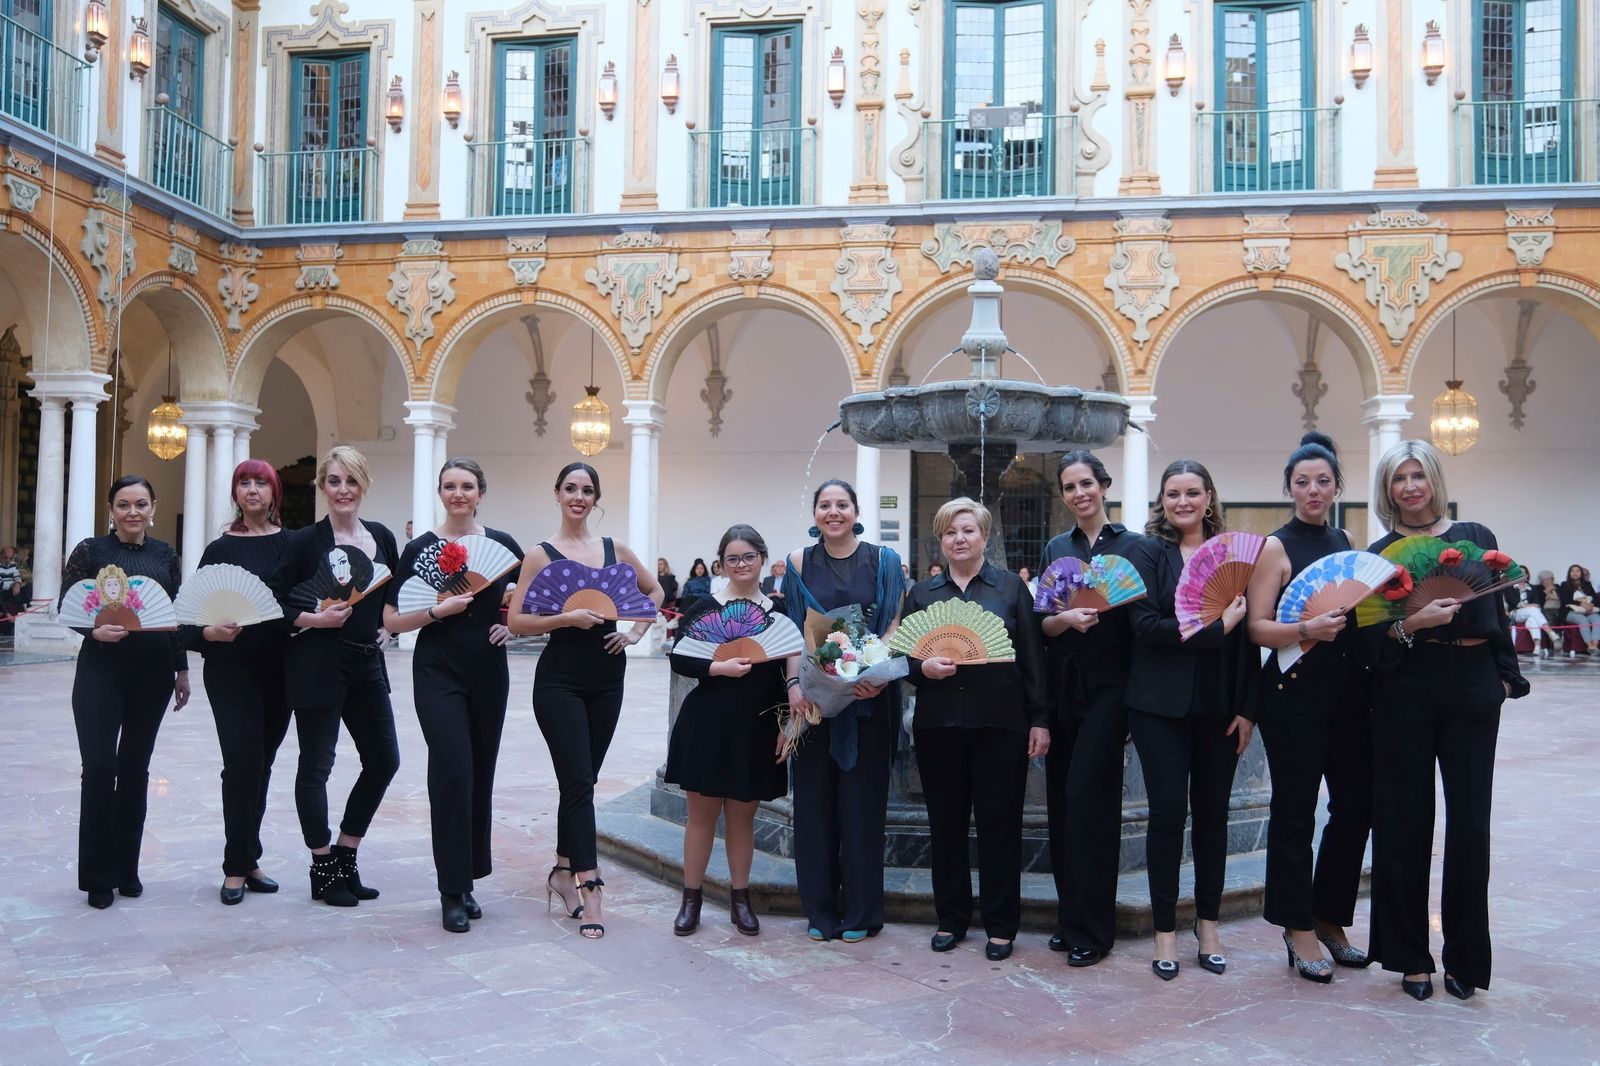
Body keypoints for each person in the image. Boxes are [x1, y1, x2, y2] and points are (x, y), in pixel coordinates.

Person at [1363, 439, 1529, 1002]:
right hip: (1407, 690)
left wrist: (1505, 678)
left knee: (1469, 828)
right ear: (1387, 489)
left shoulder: (1475, 537)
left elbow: (1498, 608)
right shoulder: (1382, 552)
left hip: (1474, 686)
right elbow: (1372, 639)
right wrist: (1415, 623)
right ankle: (1410, 956)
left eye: (1418, 474)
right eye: (1398, 478)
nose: (1410, 486)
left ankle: (1465, 960)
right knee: (1405, 824)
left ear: (1434, 478)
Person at [507, 462, 664, 940]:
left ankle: (559, 870)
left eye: (587, 490)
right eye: (571, 488)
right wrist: (564, 619)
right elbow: (517, 622)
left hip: (607, 676)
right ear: (557, 494)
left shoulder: (615, 550)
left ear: (597, 499)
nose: (579, 496)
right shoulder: (541, 554)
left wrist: (636, 632)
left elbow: (653, 590)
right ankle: (590, 886)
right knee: (578, 781)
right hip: (559, 680)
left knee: (583, 782)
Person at [1244, 433, 1371, 982]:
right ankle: (1296, 927)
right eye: (1303, 482)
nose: (1313, 490)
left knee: (1355, 806)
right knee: (1295, 811)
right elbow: (1256, 626)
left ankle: (1329, 915)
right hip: (1292, 694)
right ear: (1289, 489)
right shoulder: (1276, 547)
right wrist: (1306, 628)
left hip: (1346, 693)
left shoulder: (1343, 539)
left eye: (1323, 481)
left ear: (1337, 486)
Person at [904, 498, 1048, 961]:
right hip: (938, 725)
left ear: (985, 536)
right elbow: (905, 660)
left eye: (967, 531)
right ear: (940, 540)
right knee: (944, 825)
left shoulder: (1010, 589)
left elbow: (1032, 658)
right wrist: (923, 666)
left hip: (1001, 724)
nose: (959, 539)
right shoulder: (923, 595)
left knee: (999, 826)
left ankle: (1001, 925)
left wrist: (1040, 718)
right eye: (950, 532)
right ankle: (951, 918)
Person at [1125, 460, 1253, 981]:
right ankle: (1163, 931)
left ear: (1208, 497)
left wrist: (1249, 708)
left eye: (1193, 493)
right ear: (1162, 499)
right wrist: (1215, 627)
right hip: (1158, 705)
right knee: (1166, 815)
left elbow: (1247, 639)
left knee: (1213, 816)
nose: (1183, 502)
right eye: (1173, 493)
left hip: (1220, 706)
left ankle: (1209, 925)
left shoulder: (1230, 555)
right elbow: (1145, 626)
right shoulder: (1146, 553)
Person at [383, 459, 523, 932]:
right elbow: (391, 620)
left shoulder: (501, 545)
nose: (458, 493)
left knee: (479, 772)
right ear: (440, 492)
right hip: (436, 669)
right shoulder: (420, 549)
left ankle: (467, 880)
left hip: (487, 670)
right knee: (452, 770)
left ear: (481, 492)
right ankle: (449, 890)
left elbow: (534, 601)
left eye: (467, 486)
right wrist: (437, 611)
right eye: (450, 486)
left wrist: (511, 628)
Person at [269, 446, 401, 909]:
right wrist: (311, 620)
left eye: (352, 481)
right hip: (318, 663)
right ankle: (321, 864)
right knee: (317, 766)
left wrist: (387, 625)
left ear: (364, 485)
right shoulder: (304, 542)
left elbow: (392, 596)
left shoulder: (382, 537)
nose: (343, 490)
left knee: (385, 760)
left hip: (367, 663)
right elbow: (274, 603)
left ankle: (347, 853)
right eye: (335, 481)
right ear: (322, 487)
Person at [781, 478, 905, 942]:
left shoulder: (885, 560)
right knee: (813, 806)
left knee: (862, 807)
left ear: (856, 511)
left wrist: (870, 672)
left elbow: (892, 623)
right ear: (815, 513)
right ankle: (820, 912)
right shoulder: (797, 562)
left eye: (842, 504)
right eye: (824, 505)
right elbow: (794, 631)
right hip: (812, 699)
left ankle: (861, 913)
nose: (833, 512)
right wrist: (795, 684)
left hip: (868, 696)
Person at [61, 475, 190, 909]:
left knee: (135, 771)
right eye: (123, 504)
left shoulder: (165, 555)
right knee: (99, 769)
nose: (132, 512)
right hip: (100, 669)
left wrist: (182, 670)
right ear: (111, 510)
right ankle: (98, 874)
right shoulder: (90, 551)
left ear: (153, 507)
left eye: (140, 504)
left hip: (151, 673)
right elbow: (70, 606)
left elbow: (172, 616)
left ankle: (127, 868)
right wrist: (95, 629)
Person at [1037, 450, 1144, 966]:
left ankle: (1095, 930)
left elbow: (1140, 623)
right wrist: (1068, 619)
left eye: (1087, 484)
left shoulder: (1134, 548)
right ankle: (1069, 917)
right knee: (1060, 804)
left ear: (1103, 486)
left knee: (1090, 804)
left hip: (1110, 692)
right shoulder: (1058, 547)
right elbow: (1044, 623)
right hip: (1064, 690)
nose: (1079, 494)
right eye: (1069, 487)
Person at [666, 524, 793, 937]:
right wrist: (717, 667)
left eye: (749, 557)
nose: (741, 564)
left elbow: (791, 676)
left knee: (743, 817)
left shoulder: (778, 614)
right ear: (722, 563)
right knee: (700, 817)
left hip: (755, 726)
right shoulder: (705, 606)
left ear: (761, 559)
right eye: (733, 558)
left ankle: (741, 899)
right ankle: (691, 900)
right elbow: (681, 658)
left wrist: (789, 724)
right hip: (707, 722)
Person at [187, 461, 293, 906]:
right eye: (244, 483)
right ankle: (235, 865)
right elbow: (188, 617)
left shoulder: (293, 545)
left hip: (280, 671)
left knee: (263, 765)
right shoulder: (218, 548)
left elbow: (303, 602)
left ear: (274, 493)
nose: (253, 491)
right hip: (230, 672)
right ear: (236, 493)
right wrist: (208, 634)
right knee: (241, 764)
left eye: (260, 483)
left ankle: (249, 859)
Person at [1509, 582, 1560, 657]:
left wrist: (1527, 606)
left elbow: (1538, 603)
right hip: (1516, 613)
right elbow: (1515, 603)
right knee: (1533, 610)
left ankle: (1537, 647)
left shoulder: (1532, 588)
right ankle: (1550, 632)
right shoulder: (1511, 588)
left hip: (1532, 613)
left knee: (1532, 619)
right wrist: (1529, 606)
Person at [1559, 563, 1599, 653]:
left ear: (1581, 573)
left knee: (1597, 618)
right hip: (1570, 611)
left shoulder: (1587, 584)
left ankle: (1595, 645)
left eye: (1578, 571)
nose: (1575, 573)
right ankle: (1589, 646)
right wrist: (1581, 603)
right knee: (1583, 620)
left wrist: (1591, 604)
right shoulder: (1564, 585)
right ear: (1569, 573)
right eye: (1572, 571)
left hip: (1587, 611)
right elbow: (1566, 600)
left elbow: (1595, 598)